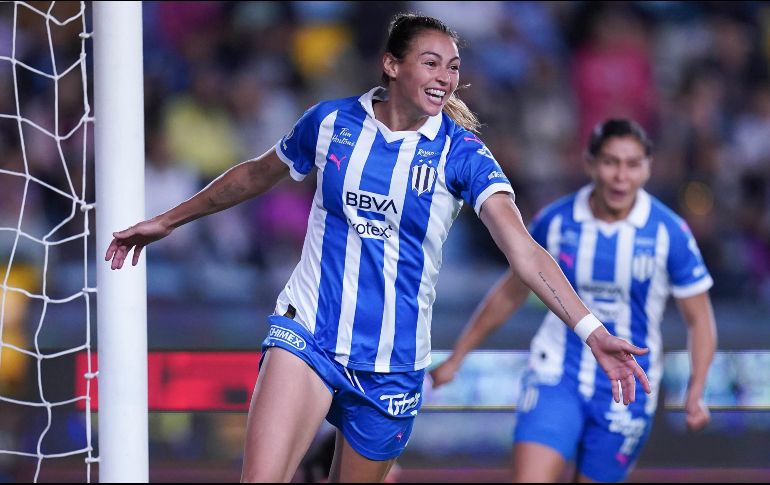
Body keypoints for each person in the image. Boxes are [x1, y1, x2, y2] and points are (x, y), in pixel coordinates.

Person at [105, 14, 651, 483]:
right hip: (309, 330)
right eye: (432, 62)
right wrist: (167, 221)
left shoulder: (463, 155)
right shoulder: (330, 123)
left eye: (454, 66)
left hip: (392, 364)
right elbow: (255, 175)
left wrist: (592, 332)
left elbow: (524, 251)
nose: (446, 77)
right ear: (392, 65)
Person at [430, 118, 717, 483]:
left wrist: (696, 390)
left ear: (647, 168)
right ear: (590, 164)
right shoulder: (556, 221)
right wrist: (458, 356)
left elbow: (700, 319)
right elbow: (509, 293)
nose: (620, 176)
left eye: (632, 164)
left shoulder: (669, 233)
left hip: (627, 386)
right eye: (611, 162)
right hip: (556, 373)